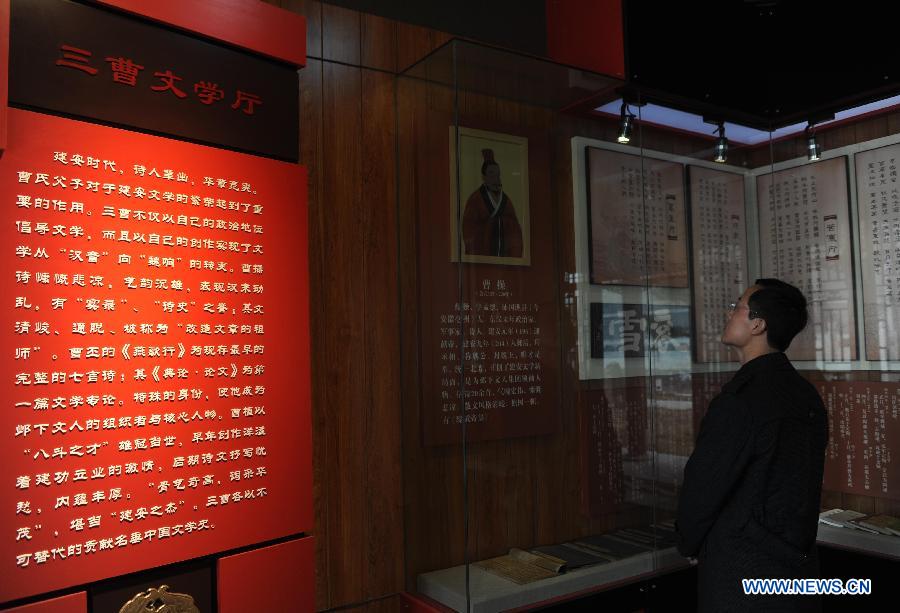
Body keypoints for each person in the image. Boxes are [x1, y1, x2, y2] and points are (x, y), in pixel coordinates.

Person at [676, 279, 829, 612]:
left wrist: (688, 541)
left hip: (742, 574)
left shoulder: (740, 400)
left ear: (758, 324)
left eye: (738, 306)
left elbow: (705, 484)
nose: (729, 312)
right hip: (797, 565)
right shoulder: (806, 394)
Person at [461, 148, 523, 258]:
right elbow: (468, 229)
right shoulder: (475, 199)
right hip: (484, 254)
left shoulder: (506, 201)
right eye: (491, 174)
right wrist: (490, 226)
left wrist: (504, 224)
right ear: (484, 177)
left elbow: (516, 231)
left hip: (504, 257)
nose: (496, 179)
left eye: (498, 175)